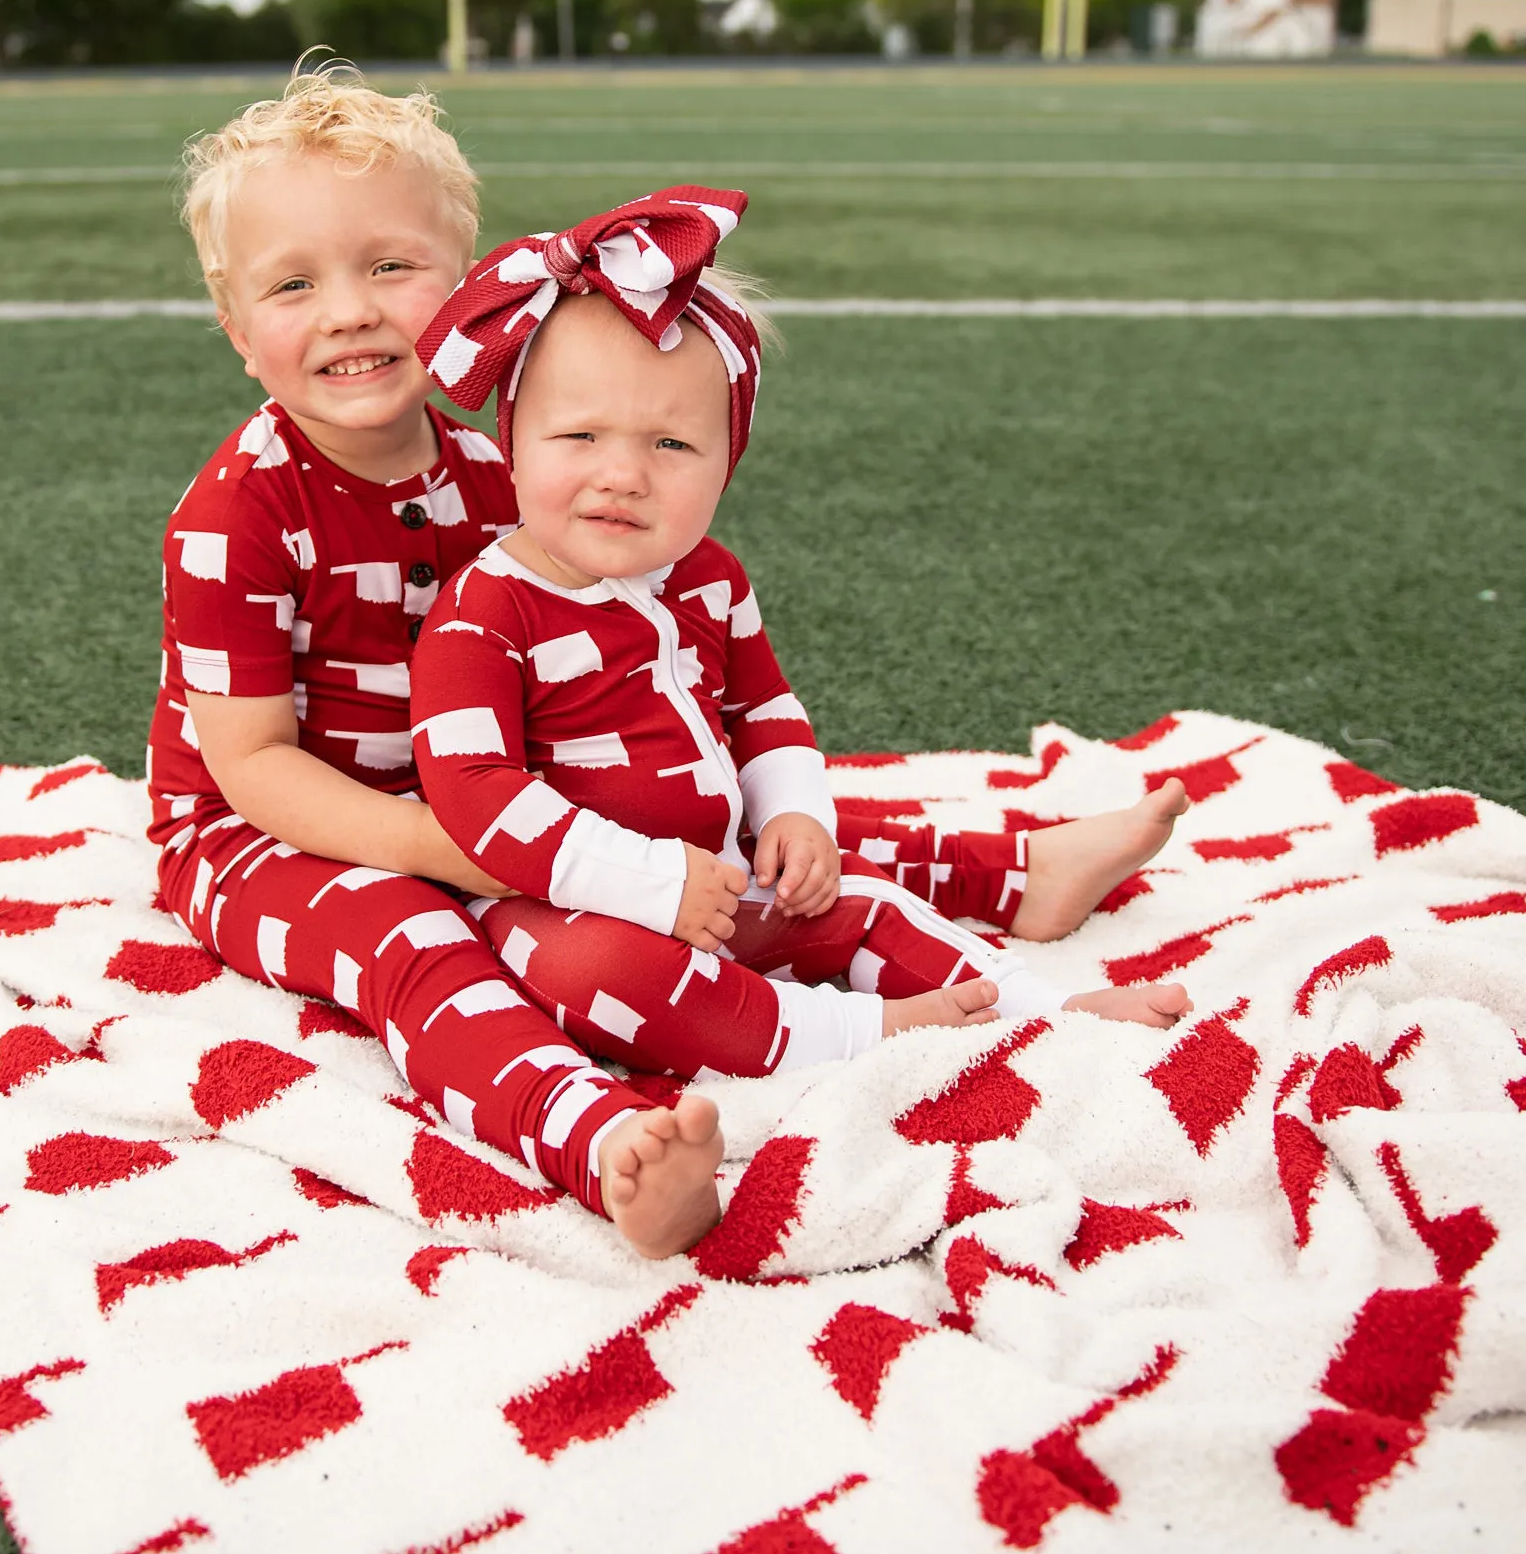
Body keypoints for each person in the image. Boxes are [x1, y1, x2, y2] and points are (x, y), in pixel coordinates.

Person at [409, 187, 1193, 1082]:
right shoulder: (484, 612)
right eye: (579, 435)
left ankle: (1044, 1012)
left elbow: (763, 709)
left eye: (671, 446)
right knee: (609, 979)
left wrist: (794, 814)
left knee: (858, 898)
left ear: (726, 463)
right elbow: (476, 794)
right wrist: (644, 886)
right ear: (513, 446)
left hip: (721, 870)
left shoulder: (710, 577)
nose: (621, 473)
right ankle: (858, 1034)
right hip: (563, 903)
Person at [146, 67, 724, 1258]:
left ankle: (966, 912)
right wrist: (425, 843)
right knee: (410, 937)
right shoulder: (237, 514)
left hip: (474, 786)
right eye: (294, 283)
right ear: (235, 327)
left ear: (465, 289)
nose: (349, 309)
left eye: (389, 267)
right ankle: (595, 1137)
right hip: (263, 831)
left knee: (691, 817)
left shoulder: (496, 470)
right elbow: (248, 761)